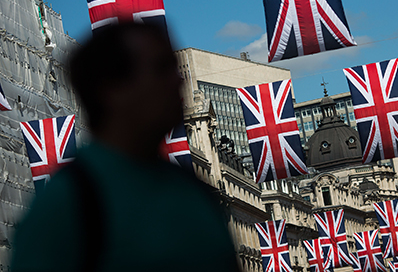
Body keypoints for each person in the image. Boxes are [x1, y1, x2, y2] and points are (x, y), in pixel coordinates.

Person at [11, 23, 241, 272]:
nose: (178, 79)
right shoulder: (66, 205)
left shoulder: (193, 190)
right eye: (161, 68)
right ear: (112, 89)